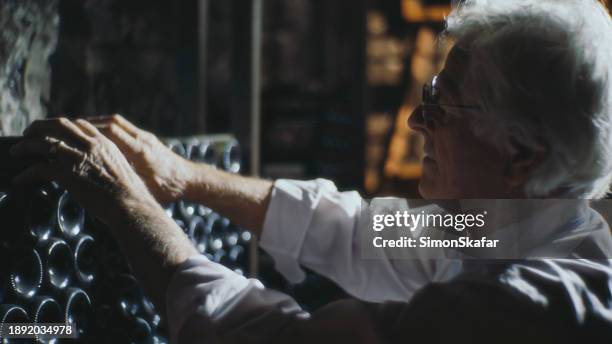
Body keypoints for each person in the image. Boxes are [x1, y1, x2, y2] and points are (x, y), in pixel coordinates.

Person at [9, 0, 612, 343]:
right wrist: (182, 176)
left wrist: (127, 205)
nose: (416, 122)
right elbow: (356, 233)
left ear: (522, 154)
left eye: (443, 104)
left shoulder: (529, 312)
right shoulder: (508, 225)